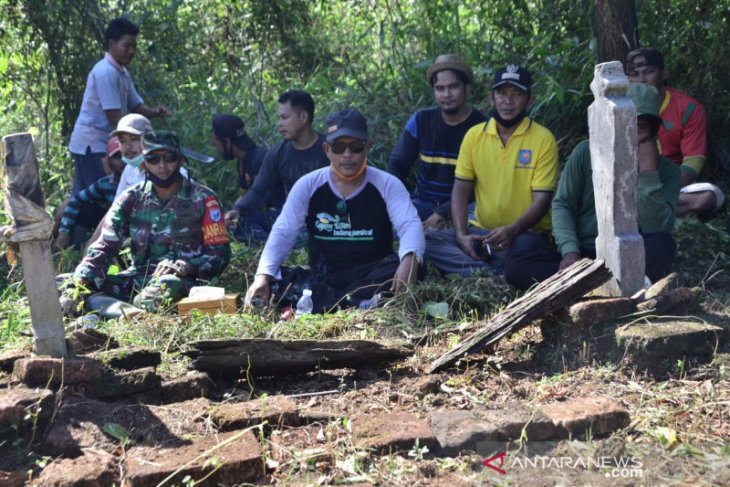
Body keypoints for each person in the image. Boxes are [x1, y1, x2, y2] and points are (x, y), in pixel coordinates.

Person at [244, 109, 424, 312]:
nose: (347, 155)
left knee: (411, 268)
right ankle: (357, 305)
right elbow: (284, 231)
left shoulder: (387, 184)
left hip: (372, 274)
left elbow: (409, 224)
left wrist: (409, 258)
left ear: (368, 147)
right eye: (339, 147)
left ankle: (332, 305)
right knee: (275, 283)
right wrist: (262, 275)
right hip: (324, 276)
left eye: (356, 147)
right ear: (327, 150)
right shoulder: (308, 185)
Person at [505, 84, 680, 290]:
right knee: (518, 261)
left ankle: (586, 288)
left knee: (663, 245)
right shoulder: (585, 153)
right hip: (581, 252)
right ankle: (598, 285)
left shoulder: (667, 172)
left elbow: (656, 226)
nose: (628, 133)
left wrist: (648, 174)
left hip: (628, 253)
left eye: (638, 127)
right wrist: (570, 252)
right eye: (623, 124)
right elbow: (563, 205)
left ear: (653, 132)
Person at [59, 130, 231, 316]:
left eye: (170, 157)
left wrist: (187, 266)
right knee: (63, 283)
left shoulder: (205, 199)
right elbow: (104, 246)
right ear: (143, 165)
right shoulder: (131, 198)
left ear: (180, 161)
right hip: (136, 278)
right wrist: (81, 281)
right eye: (153, 159)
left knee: (161, 291)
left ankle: (113, 311)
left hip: (181, 281)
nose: (162, 166)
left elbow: (220, 254)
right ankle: (127, 313)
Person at [425, 64, 558, 278]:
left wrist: (512, 230)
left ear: (530, 100)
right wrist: (461, 236)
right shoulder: (474, 135)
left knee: (522, 250)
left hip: (524, 233)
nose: (508, 101)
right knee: (427, 242)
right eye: (502, 93)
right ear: (491, 98)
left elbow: (541, 201)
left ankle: (486, 268)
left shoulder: (543, 139)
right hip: (481, 231)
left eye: (517, 94)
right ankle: (493, 272)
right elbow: (460, 191)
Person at [67, 17, 171, 197]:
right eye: (126, 45)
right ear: (112, 43)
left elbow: (136, 105)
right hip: (93, 144)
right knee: (97, 196)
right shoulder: (105, 72)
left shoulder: (121, 72)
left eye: (134, 47)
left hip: (103, 142)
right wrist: (142, 134)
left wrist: (154, 112)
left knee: (83, 197)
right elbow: (114, 115)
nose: (131, 51)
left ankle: (67, 224)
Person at [387, 54, 487, 230]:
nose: (447, 94)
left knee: (476, 230)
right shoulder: (421, 120)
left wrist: (444, 212)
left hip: (466, 204)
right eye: (440, 88)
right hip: (424, 202)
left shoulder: (483, 127)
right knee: (386, 224)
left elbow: (484, 182)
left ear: (466, 88)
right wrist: (392, 199)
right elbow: (398, 163)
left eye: (453, 87)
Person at [626, 47, 724, 217]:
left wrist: (660, 191)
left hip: (673, 183)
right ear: (628, 79)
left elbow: (692, 163)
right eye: (635, 74)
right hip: (631, 184)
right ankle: (652, 210)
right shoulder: (619, 109)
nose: (642, 79)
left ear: (663, 74)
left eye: (649, 72)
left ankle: (646, 211)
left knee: (709, 197)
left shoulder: (689, 108)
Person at [225, 90, 329, 241]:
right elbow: (258, 190)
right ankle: (271, 244)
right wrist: (238, 209)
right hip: (291, 218)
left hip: (326, 219)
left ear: (303, 117)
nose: (279, 124)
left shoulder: (331, 148)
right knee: (242, 222)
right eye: (278, 118)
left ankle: (282, 242)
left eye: (284, 117)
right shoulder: (278, 153)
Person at [210, 114, 278, 243]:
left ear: (228, 142)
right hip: (261, 217)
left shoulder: (260, 159)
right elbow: (245, 194)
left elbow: (259, 198)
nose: (216, 149)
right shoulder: (242, 163)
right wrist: (230, 214)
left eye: (216, 144)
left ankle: (268, 247)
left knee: (243, 222)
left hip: (277, 215)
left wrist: (238, 214)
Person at [54, 137, 125, 250]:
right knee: (86, 208)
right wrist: (63, 233)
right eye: (117, 157)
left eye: (126, 156)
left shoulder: (142, 180)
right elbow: (75, 201)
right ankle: (76, 251)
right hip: (112, 226)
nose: (123, 161)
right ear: (108, 161)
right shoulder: (104, 184)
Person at [114, 114, 189, 198]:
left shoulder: (173, 173)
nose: (128, 146)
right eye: (122, 141)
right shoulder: (129, 169)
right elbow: (117, 205)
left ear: (150, 140)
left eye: (134, 139)